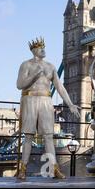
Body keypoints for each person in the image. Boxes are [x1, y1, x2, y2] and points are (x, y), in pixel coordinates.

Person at [16, 37, 80, 180]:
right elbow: (20, 84)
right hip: (30, 99)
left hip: (46, 100)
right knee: (28, 136)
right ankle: (23, 169)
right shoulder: (25, 65)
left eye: (44, 47)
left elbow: (60, 87)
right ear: (34, 51)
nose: (43, 50)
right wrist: (34, 75)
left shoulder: (51, 66)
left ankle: (54, 168)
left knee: (49, 136)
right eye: (40, 48)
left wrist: (70, 104)